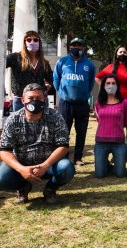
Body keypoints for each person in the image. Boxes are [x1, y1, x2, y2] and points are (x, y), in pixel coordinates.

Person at [0, 83, 75, 204]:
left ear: (44, 99)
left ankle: (50, 189)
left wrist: (45, 165)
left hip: (49, 164)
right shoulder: (13, 120)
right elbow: (4, 151)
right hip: (22, 164)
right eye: (30, 98)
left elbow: (63, 146)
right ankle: (23, 187)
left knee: (66, 168)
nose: (35, 102)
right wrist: (21, 169)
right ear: (23, 100)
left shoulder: (55, 117)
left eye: (39, 98)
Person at [53, 38, 95, 166]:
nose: (77, 47)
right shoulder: (62, 61)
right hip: (66, 103)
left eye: (79, 45)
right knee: (64, 131)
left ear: (83, 48)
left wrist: (85, 94)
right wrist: (62, 93)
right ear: (70, 47)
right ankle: (64, 156)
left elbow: (91, 82)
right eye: (74, 45)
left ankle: (78, 157)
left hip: (82, 103)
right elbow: (56, 79)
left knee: (81, 131)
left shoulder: (89, 64)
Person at [96, 46, 127, 164]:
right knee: (116, 128)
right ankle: (115, 155)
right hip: (113, 103)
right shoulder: (110, 67)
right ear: (116, 54)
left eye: (125, 52)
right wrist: (105, 89)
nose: (122, 54)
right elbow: (98, 77)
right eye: (120, 52)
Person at [6, 30, 53, 111]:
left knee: (42, 123)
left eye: (35, 40)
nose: (32, 42)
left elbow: (51, 79)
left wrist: (46, 86)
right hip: (21, 101)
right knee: (19, 123)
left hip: (39, 100)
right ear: (24, 42)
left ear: (39, 42)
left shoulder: (43, 62)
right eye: (29, 40)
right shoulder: (14, 58)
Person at [94, 74, 127, 178]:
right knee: (100, 175)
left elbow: (125, 121)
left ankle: (118, 164)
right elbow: (99, 120)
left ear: (117, 86)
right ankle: (106, 164)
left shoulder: (125, 103)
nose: (111, 85)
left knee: (120, 174)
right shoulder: (97, 104)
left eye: (113, 83)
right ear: (103, 86)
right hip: (101, 142)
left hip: (119, 143)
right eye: (108, 83)